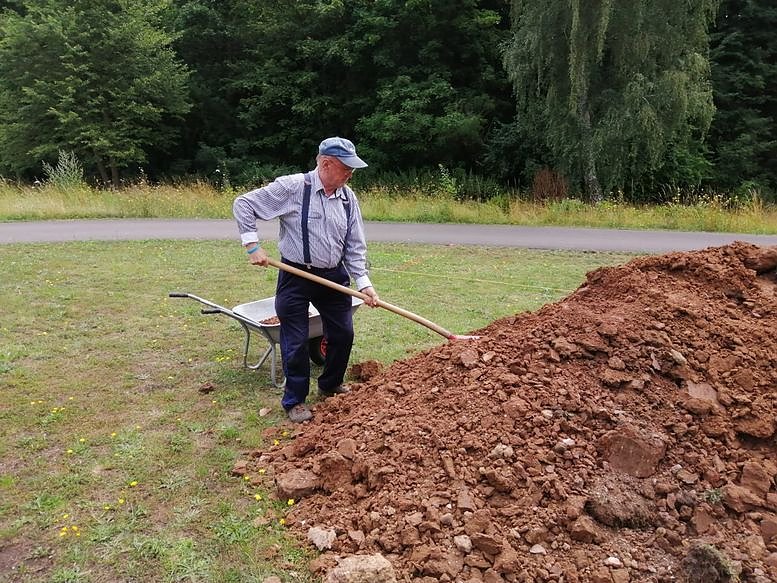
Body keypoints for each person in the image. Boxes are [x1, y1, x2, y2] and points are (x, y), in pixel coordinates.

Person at [232, 137, 379, 423]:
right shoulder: (294, 187)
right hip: (296, 275)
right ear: (325, 163)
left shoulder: (348, 198)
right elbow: (243, 204)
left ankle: (330, 384)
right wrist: (252, 246)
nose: (351, 174)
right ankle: (295, 400)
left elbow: (354, 244)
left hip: (333, 276)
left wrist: (363, 283)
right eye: (346, 168)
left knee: (343, 334)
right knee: (296, 340)